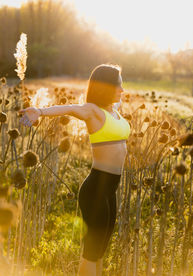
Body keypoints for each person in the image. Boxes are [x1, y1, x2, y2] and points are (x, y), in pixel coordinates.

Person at [19, 64, 131, 276]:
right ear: (106, 87)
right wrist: (40, 112)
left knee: (100, 249)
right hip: (96, 187)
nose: (122, 91)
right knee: (92, 250)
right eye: (119, 86)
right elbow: (70, 108)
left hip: (110, 188)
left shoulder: (114, 111)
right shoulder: (93, 111)